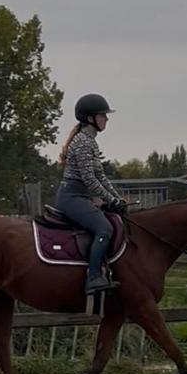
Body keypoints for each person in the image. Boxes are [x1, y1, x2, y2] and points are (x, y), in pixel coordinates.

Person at [56, 93, 128, 293]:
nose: (106, 119)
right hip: (71, 197)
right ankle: (93, 277)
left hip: (81, 195)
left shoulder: (90, 141)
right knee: (104, 228)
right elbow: (89, 179)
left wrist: (116, 199)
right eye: (103, 115)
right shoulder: (83, 142)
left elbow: (101, 176)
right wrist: (110, 199)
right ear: (90, 118)